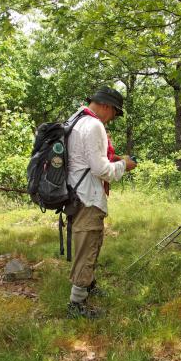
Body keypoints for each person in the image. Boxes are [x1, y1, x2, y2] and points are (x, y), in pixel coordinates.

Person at [67, 86, 137, 318]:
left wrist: (112, 159)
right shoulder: (95, 124)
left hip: (75, 193)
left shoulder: (77, 118)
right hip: (88, 196)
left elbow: (84, 159)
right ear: (107, 106)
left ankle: (89, 286)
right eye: (115, 113)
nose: (114, 118)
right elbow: (100, 170)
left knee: (88, 243)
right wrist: (124, 165)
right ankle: (76, 305)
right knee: (88, 246)